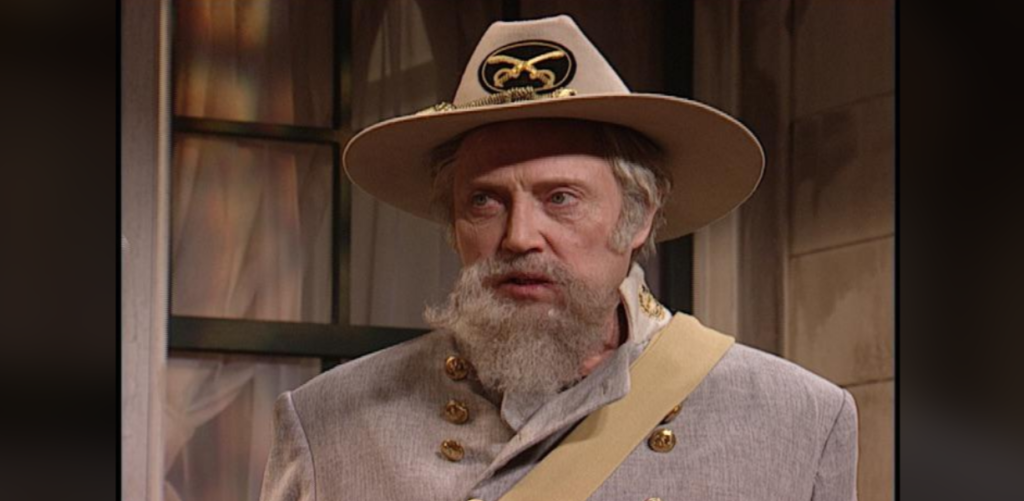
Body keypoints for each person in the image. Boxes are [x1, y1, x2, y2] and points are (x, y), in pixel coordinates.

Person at [260, 15, 857, 501]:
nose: (520, 236)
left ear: (640, 216)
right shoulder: (328, 424)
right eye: (485, 201)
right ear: (453, 227)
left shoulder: (797, 420)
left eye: (561, 198)